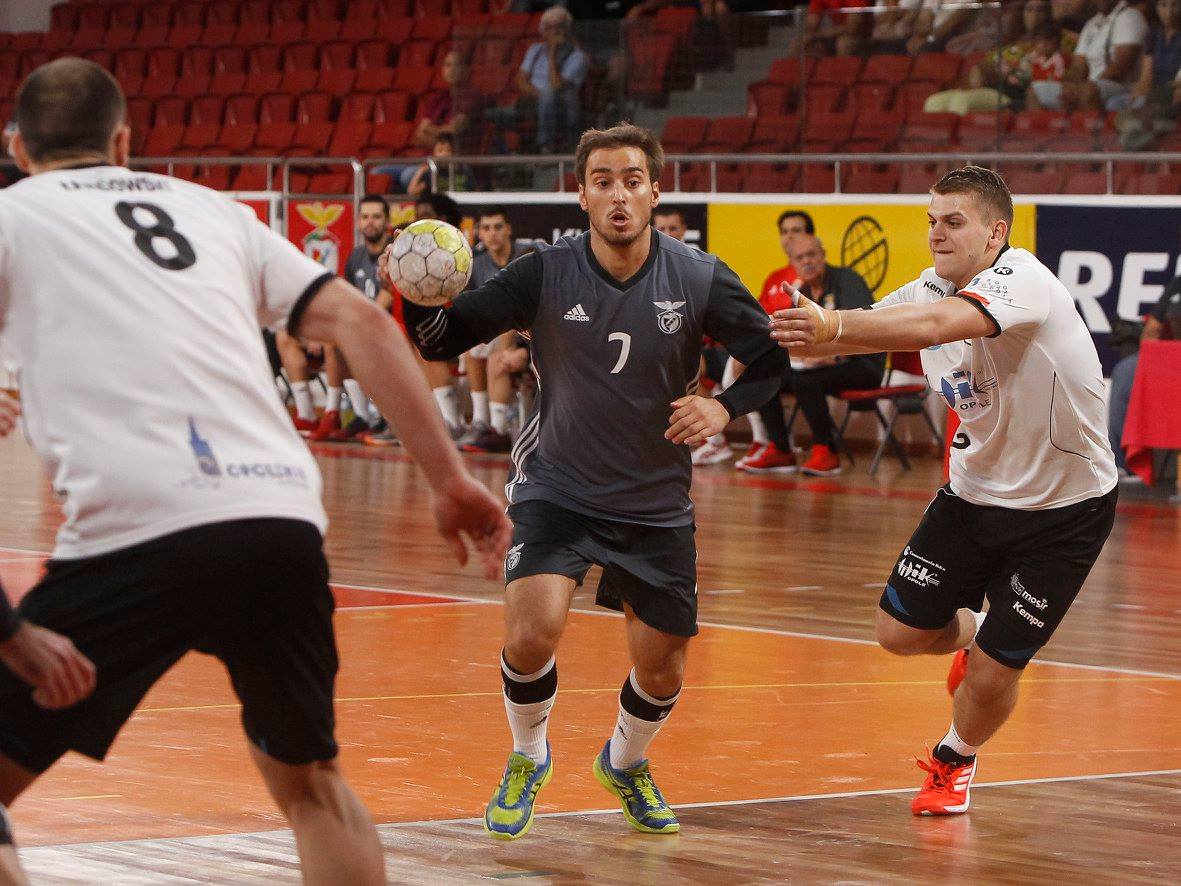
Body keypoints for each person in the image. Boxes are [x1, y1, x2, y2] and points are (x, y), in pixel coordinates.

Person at [0, 58, 512, 884]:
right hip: (277, 517)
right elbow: (362, 323)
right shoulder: (212, 211)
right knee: (311, 784)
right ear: (125, 141)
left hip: (136, 530)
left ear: (16, 147)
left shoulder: (11, 217)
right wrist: (450, 481)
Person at [388, 123, 788, 840]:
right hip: (555, 487)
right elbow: (447, 338)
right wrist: (416, 293)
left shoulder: (697, 276)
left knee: (661, 671)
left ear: (655, 191)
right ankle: (527, 755)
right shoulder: (545, 272)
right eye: (602, 180)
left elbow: (770, 361)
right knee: (530, 635)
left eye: (632, 179)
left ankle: (625, 763)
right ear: (580, 194)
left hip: (653, 502)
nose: (618, 194)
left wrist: (720, 405)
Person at [770, 165, 1118, 816]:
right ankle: (982, 627)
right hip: (972, 494)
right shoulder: (924, 287)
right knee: (895, 634)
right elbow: (875, 327)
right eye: (930, 220)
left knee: (991, 674)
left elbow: (932, 326)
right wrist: (777, 345)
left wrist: (832, 326)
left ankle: (953, 759)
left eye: (952, 221)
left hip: (1063, 509)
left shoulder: (1023, 281)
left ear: (994, 233)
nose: (936, 233)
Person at [743, 234, 882, 476]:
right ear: (792, 264)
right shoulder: (802, 291)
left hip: (864, 363)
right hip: (822, 366)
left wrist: (834, 356)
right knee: (765, 377)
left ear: (823, 255)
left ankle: (826, 451)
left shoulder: (847, 280)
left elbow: (864, 326)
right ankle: (780, 450)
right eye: (800, 258)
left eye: (811, 255)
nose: (807, 261)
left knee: (805, 380)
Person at [719, 210, 809, 471]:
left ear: (810, 236)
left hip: (794, 352)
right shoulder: (775, 276)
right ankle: (721, 442)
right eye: (785, 231)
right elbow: (756, 316)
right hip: (766, 344)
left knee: (748, 367)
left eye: (797, 230)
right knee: (701, 360)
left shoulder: (812, 273)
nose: (790, 237)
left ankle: (767, 441)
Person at [459, 206, 536, 453]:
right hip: (490, 334)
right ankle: (482, 422)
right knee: (474, 344)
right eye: (486, 228)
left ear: (509, 230)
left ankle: (498, 429)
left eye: (498, 227)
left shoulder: (524, 258)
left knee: (498, 344)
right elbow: (469, 309)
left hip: (524, 334)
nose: (492, 234)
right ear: (479, 233)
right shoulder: (474, 264)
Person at [1107, 274, 1181, 474]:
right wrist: (1156, 364)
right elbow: (1151, 331)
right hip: (1172, 360)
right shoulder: (1178, 283)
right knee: (1125, 370)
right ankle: (1121, 464)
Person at [1028, 0, 1149, 112]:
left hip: (1121, 86)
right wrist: (1067, 85)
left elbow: (1120, 67)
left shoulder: (1129, 16)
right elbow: (1078, 66)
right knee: (1034, 92)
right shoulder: (1092, 23)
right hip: (1090, 85)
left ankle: (1095, 134)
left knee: (1087, 91)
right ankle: (1049, 134)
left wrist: (1082, 87)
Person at [516, 6, 591, 152]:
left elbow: (556, 85)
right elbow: (520, 79)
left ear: (568, 29)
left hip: (563, 105)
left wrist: (552, 53)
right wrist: (540, 95)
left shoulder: (578, 57)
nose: (555, 31)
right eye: (550, 27)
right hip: (533, 99)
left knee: (549, 93)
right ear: (543, 31)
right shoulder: (535, 50)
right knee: (494, 114)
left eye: (560, 27)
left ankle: (545, 145)